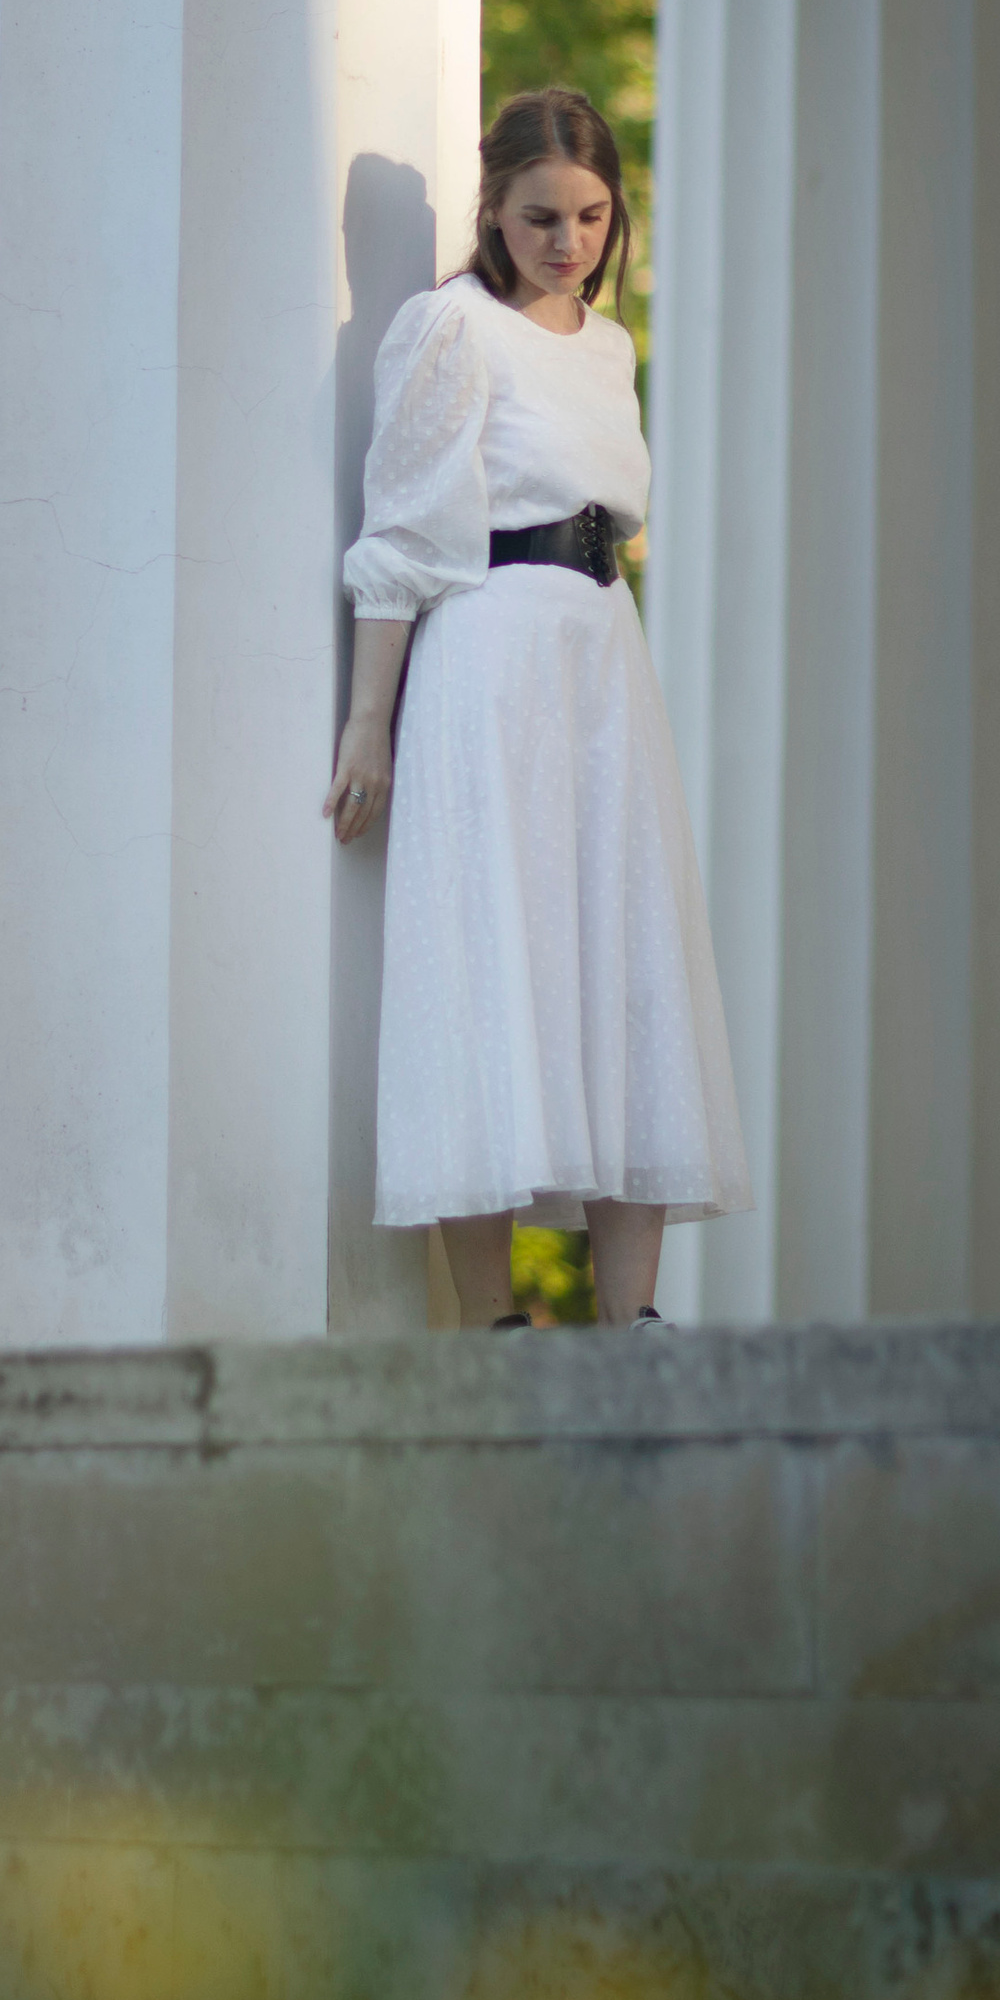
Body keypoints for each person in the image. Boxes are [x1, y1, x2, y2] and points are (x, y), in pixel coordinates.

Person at [325, 89, 749, 1326]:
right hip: (490, 647)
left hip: (601, 653)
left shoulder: (607, 347)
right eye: (538, 217)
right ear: (493, 213)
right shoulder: (448, 328)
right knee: (489, 957)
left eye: (589, 216)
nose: (566, 241)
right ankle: (493, 1329)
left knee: (627, 955)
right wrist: (369, 719)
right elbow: (404, 530)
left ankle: (638, 1332)